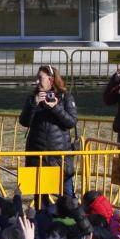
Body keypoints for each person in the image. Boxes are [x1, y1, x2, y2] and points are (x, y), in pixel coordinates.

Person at [19, 64, 78, 196]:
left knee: (67, 197)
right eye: (36, 78)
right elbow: (24, 121)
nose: (36, 82)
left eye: (40, 78)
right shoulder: (32, 98)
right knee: (40, 198)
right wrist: (34, 104)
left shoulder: (65, 97)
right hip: (37, 157)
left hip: (59, 158)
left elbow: (71, 122)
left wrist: (55, 108)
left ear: (51, 80)